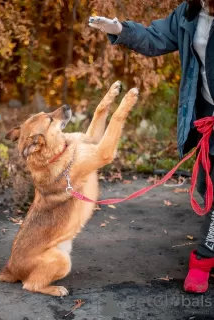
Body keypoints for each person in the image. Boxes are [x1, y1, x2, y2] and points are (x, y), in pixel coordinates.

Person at [89, 0, 214, 294]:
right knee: (204, 188)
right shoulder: (189, 13)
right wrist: (119, 29)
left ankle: (204, 259)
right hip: (203, 114)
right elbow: (156, 38)